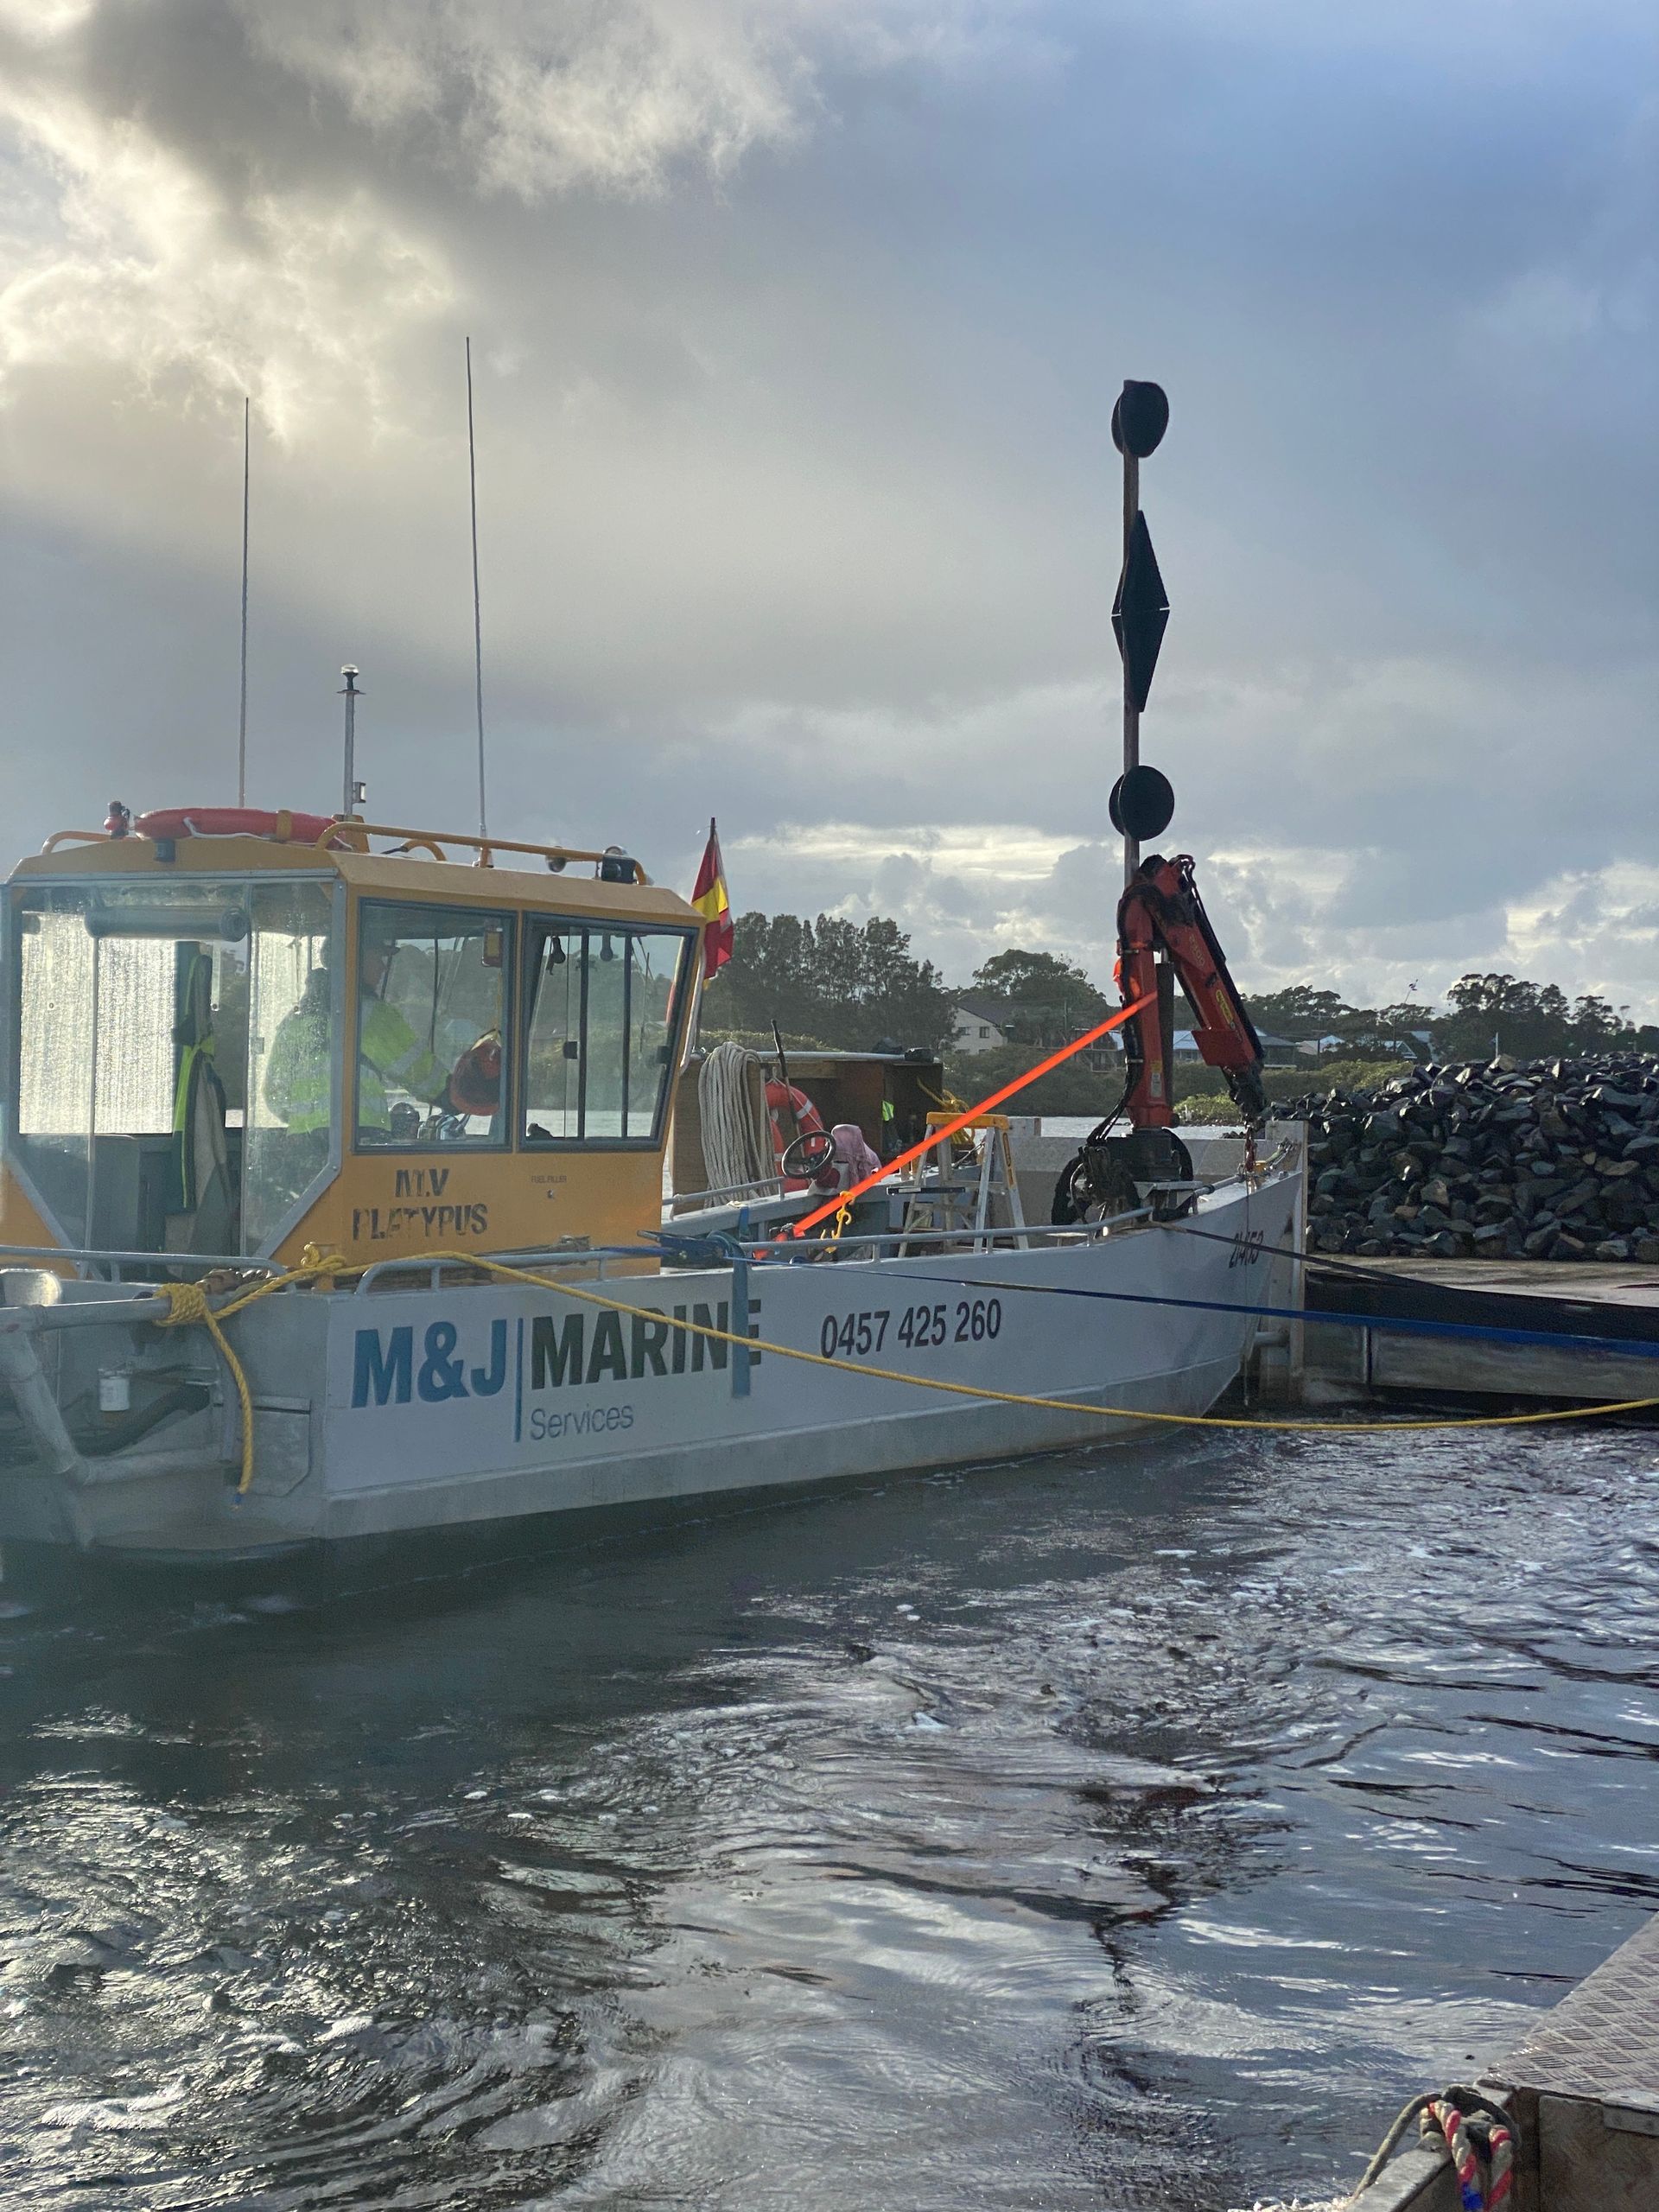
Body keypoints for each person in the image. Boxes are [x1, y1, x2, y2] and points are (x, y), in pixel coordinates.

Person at [264, 934, 457, 1143]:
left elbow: (274, 1092)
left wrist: (308, 1119)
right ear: (354, 962)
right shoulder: (370, 1015)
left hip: (302, 1142)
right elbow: (418, 1071)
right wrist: (453, 1095)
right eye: (377, 959)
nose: (383, 968)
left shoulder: (295, 1020)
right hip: (360, 1140)